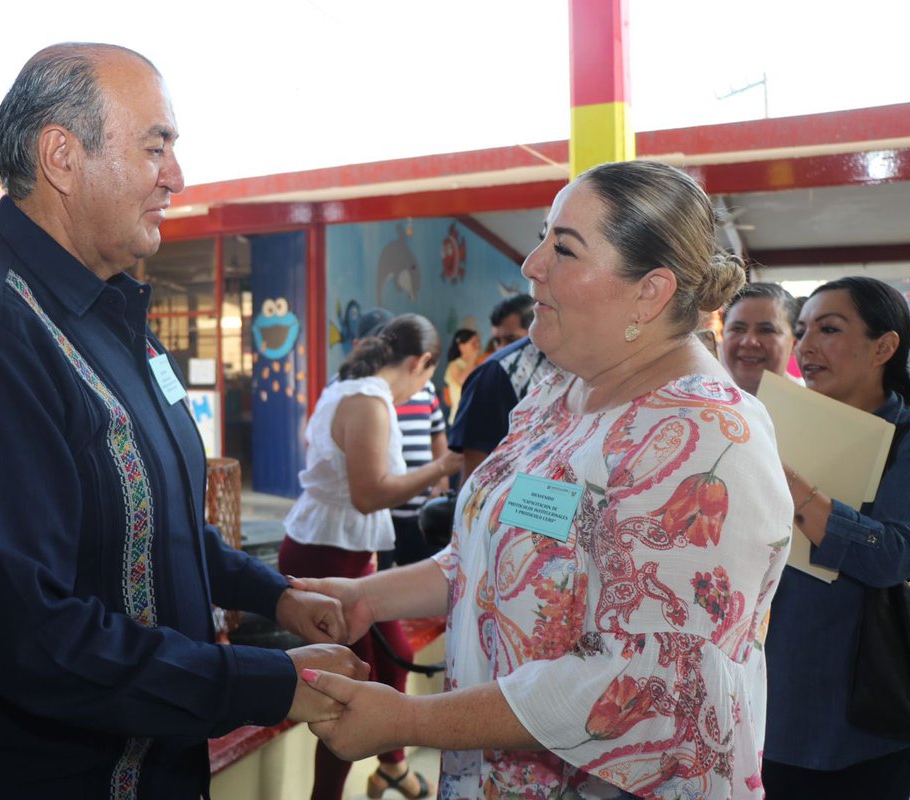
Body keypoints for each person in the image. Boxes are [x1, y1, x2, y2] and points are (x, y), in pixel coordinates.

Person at [0, 43, 366, 799]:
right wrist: (267, 681)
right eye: (155, 145)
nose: (176, 175)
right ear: (62, 155)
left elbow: (155, 523)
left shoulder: (109, 312)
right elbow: (33, 637)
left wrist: (274, 594)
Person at [293, 160, 794, 799]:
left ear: (651, 291)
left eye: (563, 247)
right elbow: (496, 558)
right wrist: (368, 598)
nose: (532, 264)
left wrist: (409, 719)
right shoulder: (559, 396)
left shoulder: (707, 439)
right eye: (542, 237)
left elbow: (646, 685)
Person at [279, 313, 463, 800]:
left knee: (396, 653)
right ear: (422, 362)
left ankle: (392, 767)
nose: (422, 390)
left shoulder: (349, 389)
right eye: (427, 378)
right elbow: (368, 494)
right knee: (347, 687)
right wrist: (442, 468)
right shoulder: (368, 401)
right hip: (328, 551)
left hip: (344, 547)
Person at [762, 276, 910, 799]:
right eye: (801, 330)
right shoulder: (773, 421)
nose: (805, 347)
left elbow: (891, 557)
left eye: (828, 329)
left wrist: (791, 486)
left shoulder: (904, 439)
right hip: (769, 702)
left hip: (859, 723)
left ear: (884, 347)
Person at [350, 310, 450, 570]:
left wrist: (440, 483)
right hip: (379, 513)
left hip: (419, 509)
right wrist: (443, 467)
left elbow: (437, 434)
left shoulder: (423, 387)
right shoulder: (358, 393)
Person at [448, 293, 560, 482]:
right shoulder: (493, 375)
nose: (503, 349)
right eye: (497, 341)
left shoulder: (570, 365)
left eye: (511, 339)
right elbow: (474, 475)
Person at [720, 281, 800, 395]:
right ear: (722, 335)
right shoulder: (700, 401)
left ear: (794, 344)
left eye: (766, 330)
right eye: (738, 329)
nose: (748, 342)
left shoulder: (815, 407)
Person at [443, 328, 481, 425]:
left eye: (478, 342)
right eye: (473, 343)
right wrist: (473, 357)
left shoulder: (478, 365)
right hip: (460, 418)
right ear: (461, 346)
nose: (478, 346)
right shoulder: (454, 365)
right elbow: (463, 380)